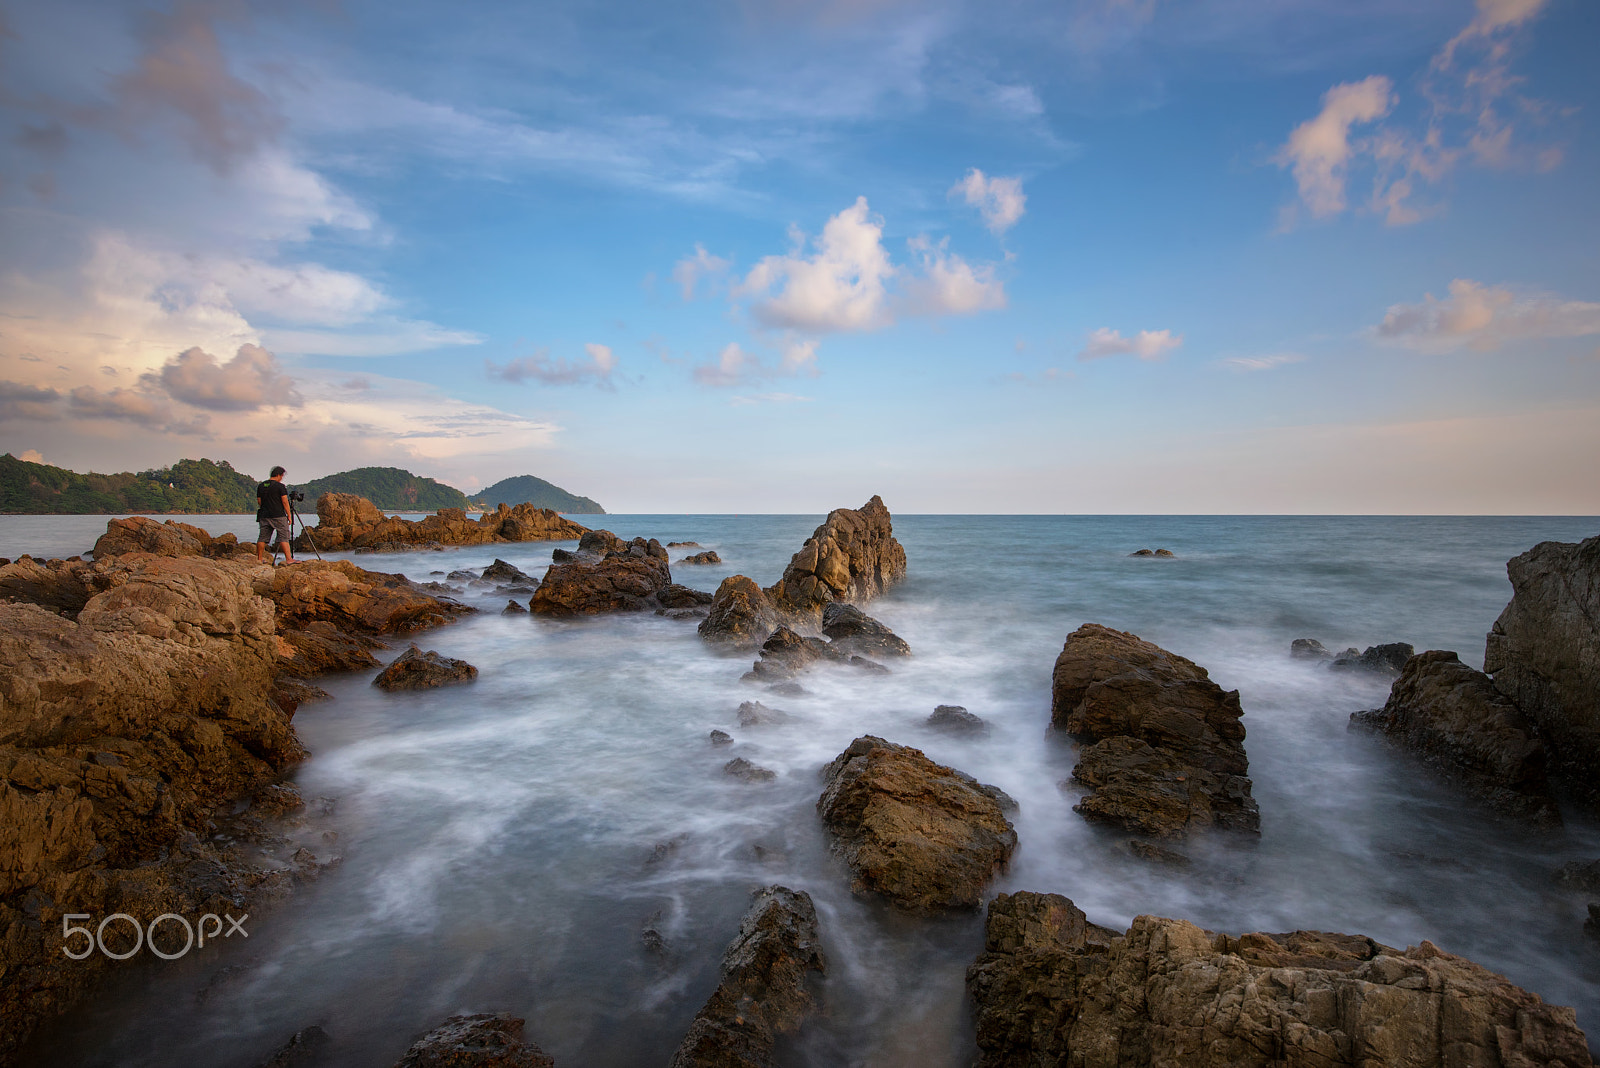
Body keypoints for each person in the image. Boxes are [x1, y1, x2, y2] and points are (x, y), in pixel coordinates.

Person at [255, 465, 295, 564]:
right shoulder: (280, 486)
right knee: (283, 537)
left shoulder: (261, 486)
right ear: (278, 475)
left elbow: (259, 501)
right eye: (282, 476)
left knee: (262, 538)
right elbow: (285, 502)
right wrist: (289, 515)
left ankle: (259, 559)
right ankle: (289, 559)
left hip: (264, 515)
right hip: (278, 515)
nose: (281, 478)